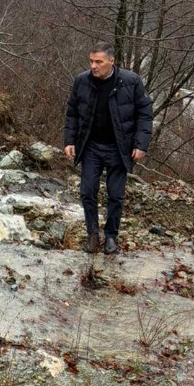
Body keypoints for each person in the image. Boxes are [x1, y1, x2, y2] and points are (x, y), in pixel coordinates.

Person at [63, 42, 153, 254]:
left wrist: (141, 144)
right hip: (91, 146)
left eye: (99, 62)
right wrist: (69, 141)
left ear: (111, 61)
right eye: (91, 61)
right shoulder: (82, 81)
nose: (93, 66)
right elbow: (72, 112)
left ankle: (111, 236)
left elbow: (145, 113)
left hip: (119, 147)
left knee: (115, 195)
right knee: (87, 191)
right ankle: (92, 234)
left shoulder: (130, 81)